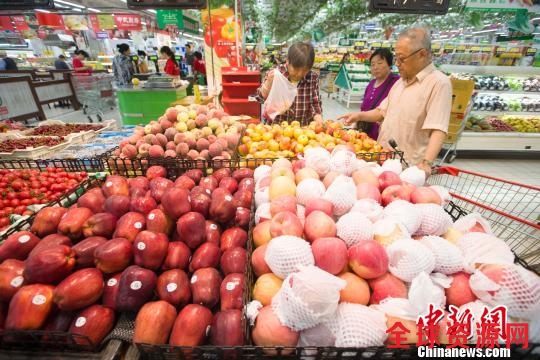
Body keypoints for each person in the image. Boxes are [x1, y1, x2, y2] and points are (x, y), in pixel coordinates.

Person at [339, 27, 452, 176]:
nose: (397, 63)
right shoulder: (400, 83)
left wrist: (426, 163)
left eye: (402, 58)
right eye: (396, 57)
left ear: (422, 54)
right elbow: (381, 112)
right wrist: (359, 116)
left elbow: (438, 128)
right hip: (382, 160)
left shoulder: (438, 84)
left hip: (407, 168)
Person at [257, 42, 323, 125]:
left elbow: (315, 103)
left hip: (301, 130)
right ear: (287, 61)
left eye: (304, 70)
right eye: (296, 69)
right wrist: (268, 84)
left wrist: (319, 119)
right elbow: (260, 98)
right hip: (276, 128)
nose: (299, 74)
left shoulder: (312, 77)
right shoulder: (276, 74)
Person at [356, 48, 399, 139]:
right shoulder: (371, 84)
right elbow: (364, 107)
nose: (375, 67)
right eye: (372, 64)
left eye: (380, 63)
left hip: (384, 134)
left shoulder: (396, 82)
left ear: (389, 64)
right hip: (365, 132)